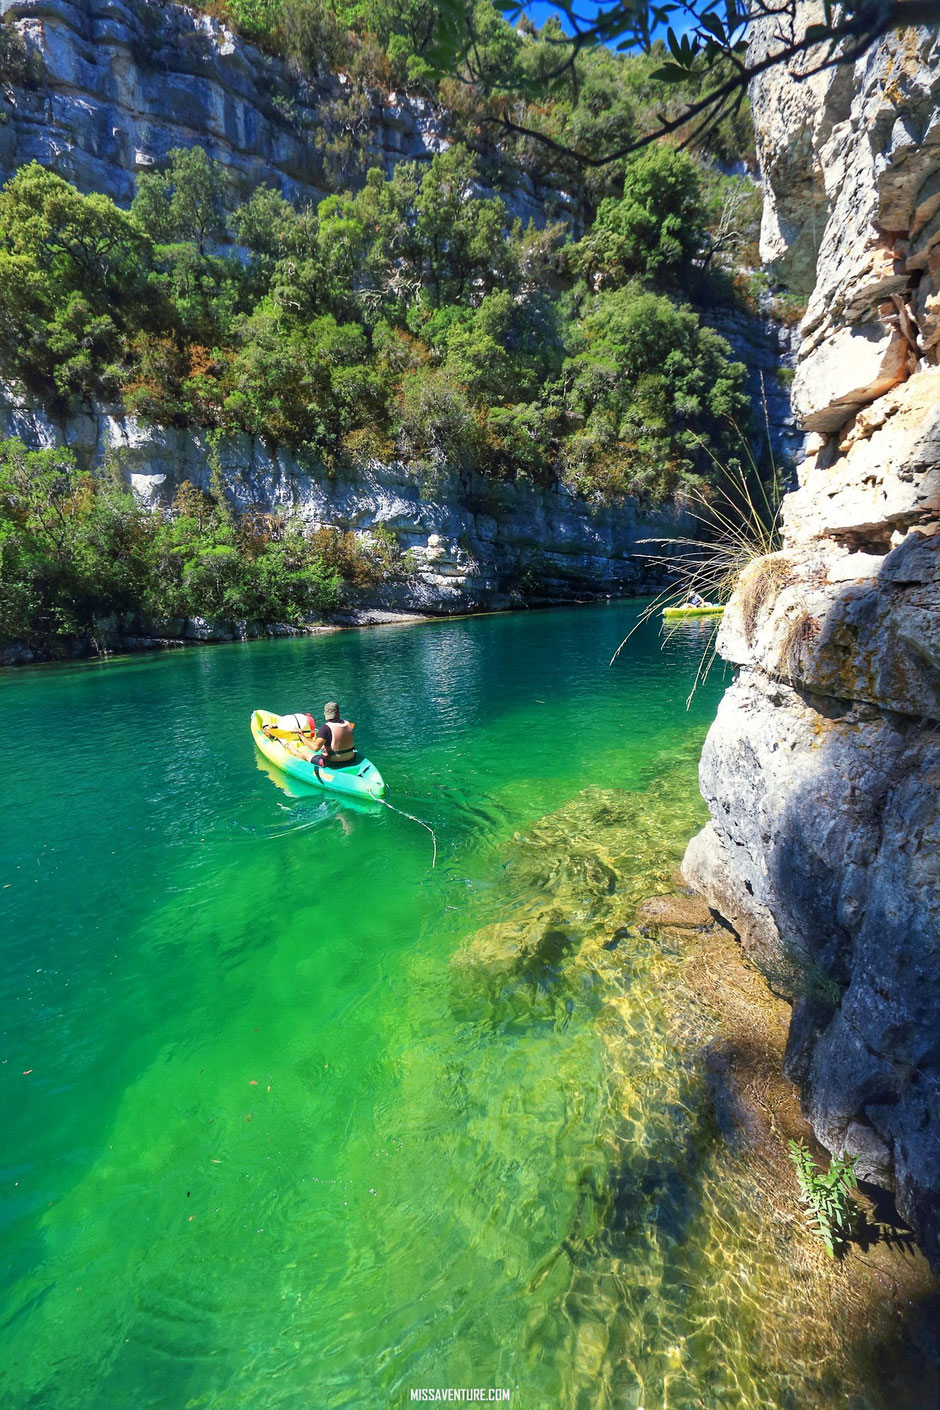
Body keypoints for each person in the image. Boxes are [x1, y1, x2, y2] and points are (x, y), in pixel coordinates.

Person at [313, 701, 357, 767]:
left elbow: (315, 748)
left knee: (306, 755)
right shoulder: (348, 724)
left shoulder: (325, 728)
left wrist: (302, 736)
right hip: (351, 758)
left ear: (325, 714)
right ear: (338, 713)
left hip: (333, 762)